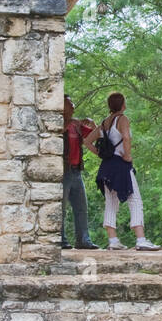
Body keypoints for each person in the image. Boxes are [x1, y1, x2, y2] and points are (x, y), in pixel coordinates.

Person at [94, 92, 160, 251]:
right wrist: (128, 156)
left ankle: (113, 240)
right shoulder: (122, 119)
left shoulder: (104, 122)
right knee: (135, 199)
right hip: (120, 165)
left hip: (106, 166)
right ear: (122, 104)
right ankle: (141, 239)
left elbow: (87, 141)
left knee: (111, 202)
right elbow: (126, 137)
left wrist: (103, 154)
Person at [60, 96, 100, 250]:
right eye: (69, 104)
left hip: (76, 171)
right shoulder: (57, 122)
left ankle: (83, 240)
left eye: (72, 103)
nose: (73, 106)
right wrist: (67, 123)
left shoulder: (76, 125)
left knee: (81, 207)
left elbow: (96, 135)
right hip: (63, 172)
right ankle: (61, 240)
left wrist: (93, 123)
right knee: (61, 208)